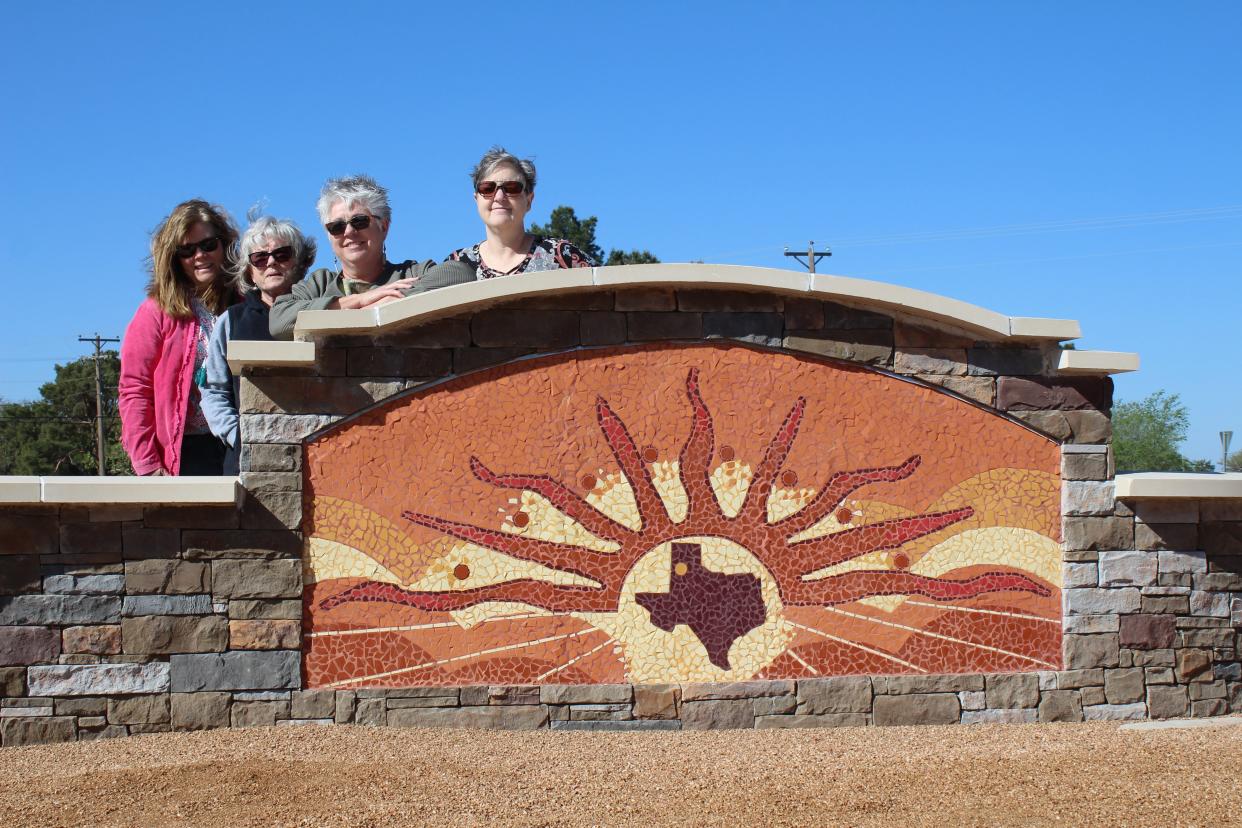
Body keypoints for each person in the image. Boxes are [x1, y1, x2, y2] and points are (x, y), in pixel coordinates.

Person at [269, 175, 475, 339]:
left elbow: (460, 274)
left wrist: (389, 303)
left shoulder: (411, 273)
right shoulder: (319, 285)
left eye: (359, 221)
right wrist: (358, 302)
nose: (348, 232)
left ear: (383, 227)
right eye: (337, 226)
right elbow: (279, 319)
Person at [119, 200, 240, 475]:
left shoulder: (244, 305)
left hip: (237, 444)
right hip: (184, 451)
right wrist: (147, 463)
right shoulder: (155, 311)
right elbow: (134, 390)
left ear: (225, 245)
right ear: (174, 257)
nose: (200, 255)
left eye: (209, 245)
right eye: (187, 250)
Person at [201, 216, 316, 474]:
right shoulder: (230, 322)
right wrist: (241, 437)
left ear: (299, 262)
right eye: (260, 258)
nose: (271, 262)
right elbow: (213, 392)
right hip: (246, 464)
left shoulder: (320, 313)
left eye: (282, 254)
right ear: (249, 271)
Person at [446, 147, 595, 278]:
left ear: (529, 200)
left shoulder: (561, 255)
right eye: (487, 189)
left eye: (511, 188)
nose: (499, 197)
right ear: (476, 200)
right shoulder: (456, 265)